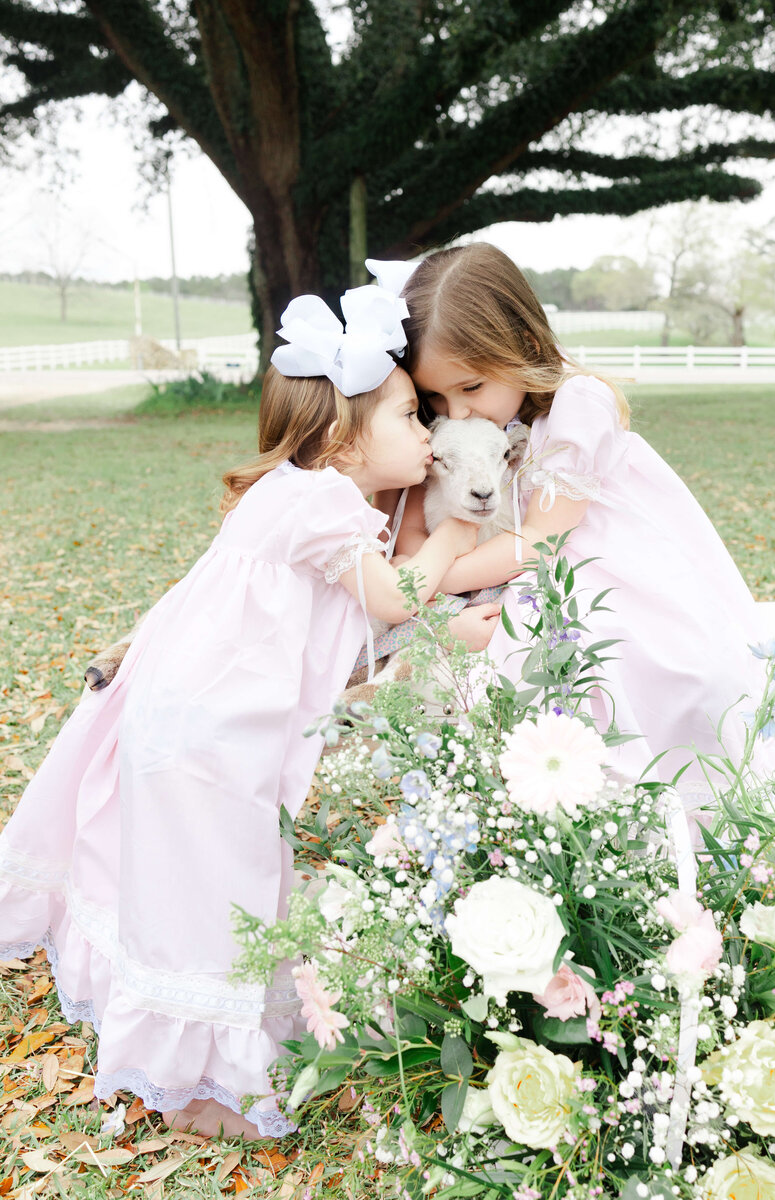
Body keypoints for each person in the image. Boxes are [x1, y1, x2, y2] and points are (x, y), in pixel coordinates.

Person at [0, 284, 477, 1139]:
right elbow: (396, 598)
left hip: (192, 721)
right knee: (223, 889)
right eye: (412, 415)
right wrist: (453, 539)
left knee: (205, 885)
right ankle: (203, 1090)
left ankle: (203, 1051)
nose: (429, 435)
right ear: (343, 438)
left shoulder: (290, 495)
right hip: (215, 739)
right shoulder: (326, 504)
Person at [366, 245, 775, 789]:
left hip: (593, 562)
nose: (457, 411)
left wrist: (430, 581)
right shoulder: (446, 435)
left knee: (639, 661)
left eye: (470, 387)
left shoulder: (578, 406)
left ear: (525, 346)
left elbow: (542, 537)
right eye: (435, 397)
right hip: (501, 571)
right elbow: (414, 526)